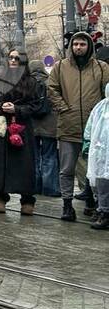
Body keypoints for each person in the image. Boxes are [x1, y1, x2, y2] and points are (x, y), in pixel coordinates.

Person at [47, 31, 109, 221]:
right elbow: (51, 88)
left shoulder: (102, 67)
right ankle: (67, 205)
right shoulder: (60, 67)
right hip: (68, 125)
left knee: (95, 169)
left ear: (89, 46)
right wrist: (63, 109)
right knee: (66, 169)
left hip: (94, 129)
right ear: (70, 47)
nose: (78, 48)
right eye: (75, 44)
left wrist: (99, 115)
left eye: (82, 44)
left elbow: (107, 93)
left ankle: (94, 203)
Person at [0, 49, 43, 215]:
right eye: (11, 58)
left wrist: (18, 109)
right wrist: (0, 107)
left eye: (17, 58)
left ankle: (27, 200)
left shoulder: (31, 82)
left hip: (22, 128)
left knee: (24, 165)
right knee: (0, 164)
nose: (13, 61)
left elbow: (37, 106)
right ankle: (0, 197)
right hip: (0, 127)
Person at [30, 61, 60, 197]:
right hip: (50, 127)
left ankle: (35, 187)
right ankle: (50, 188)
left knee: (34, 157)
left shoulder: (27, 83)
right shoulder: (51, 83)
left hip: (31, 127)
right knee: (49, 157)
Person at [84, 83, 109, 229]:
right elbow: (90, 125)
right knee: (101, 184)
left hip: (102, 152)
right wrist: (87, 142)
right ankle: (103, 211)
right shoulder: (101, 107)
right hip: (100, 153)